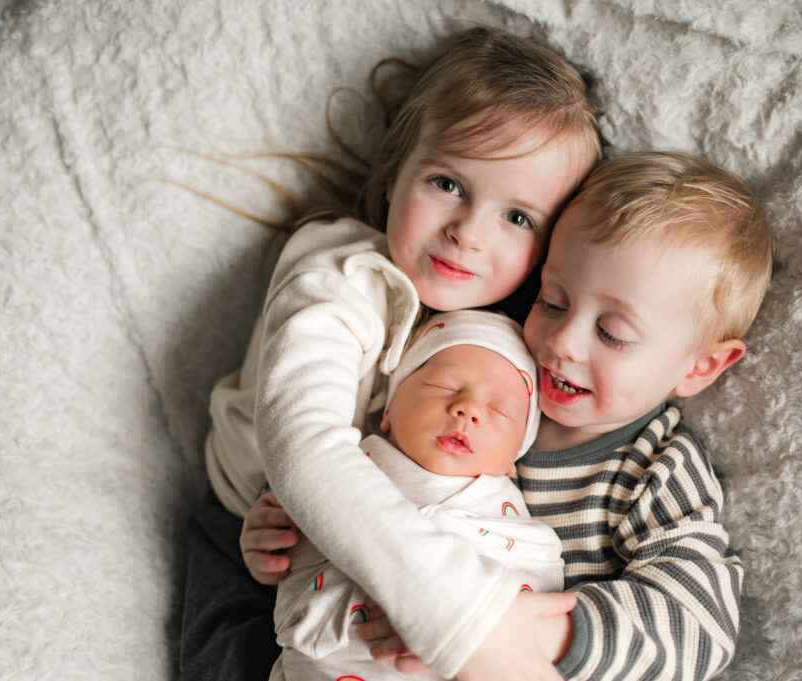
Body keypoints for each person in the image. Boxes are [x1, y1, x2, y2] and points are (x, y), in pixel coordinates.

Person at [247, 151, 773, 680]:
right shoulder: (482, 370)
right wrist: (283, 536)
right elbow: (363, 491)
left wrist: (546, 633)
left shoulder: (653, 469)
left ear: (702, 366)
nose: (563, 342)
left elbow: (700, 624)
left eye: (612, 333)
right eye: (553, 301)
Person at [179, 25, 603, 681]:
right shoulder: (338, 276)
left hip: (391, 561)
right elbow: (305, 447)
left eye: (517, 217)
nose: (467, 233)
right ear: (399, 163)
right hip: (258, 539)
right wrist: (457, 610)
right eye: (447, 183)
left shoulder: (509, 332)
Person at [270, 309, 565, 681]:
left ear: (513, 461)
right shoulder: (345, 466)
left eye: (498, 409)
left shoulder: (516, 528)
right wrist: (266, 541)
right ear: (389, 409)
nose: (468, 409)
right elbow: (303, 524)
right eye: (444, 385)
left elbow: (531, 611)